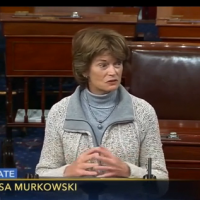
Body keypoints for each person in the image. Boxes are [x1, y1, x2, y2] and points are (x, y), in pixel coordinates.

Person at [35, 27, 168, 179]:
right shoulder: (60, 112)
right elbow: (42, 175)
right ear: (85, 70)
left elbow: (161, 180)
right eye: (103, 65)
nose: (113, 72)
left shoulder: (143, 111)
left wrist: (129, 172)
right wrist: (66, 173)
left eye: (117, 63)